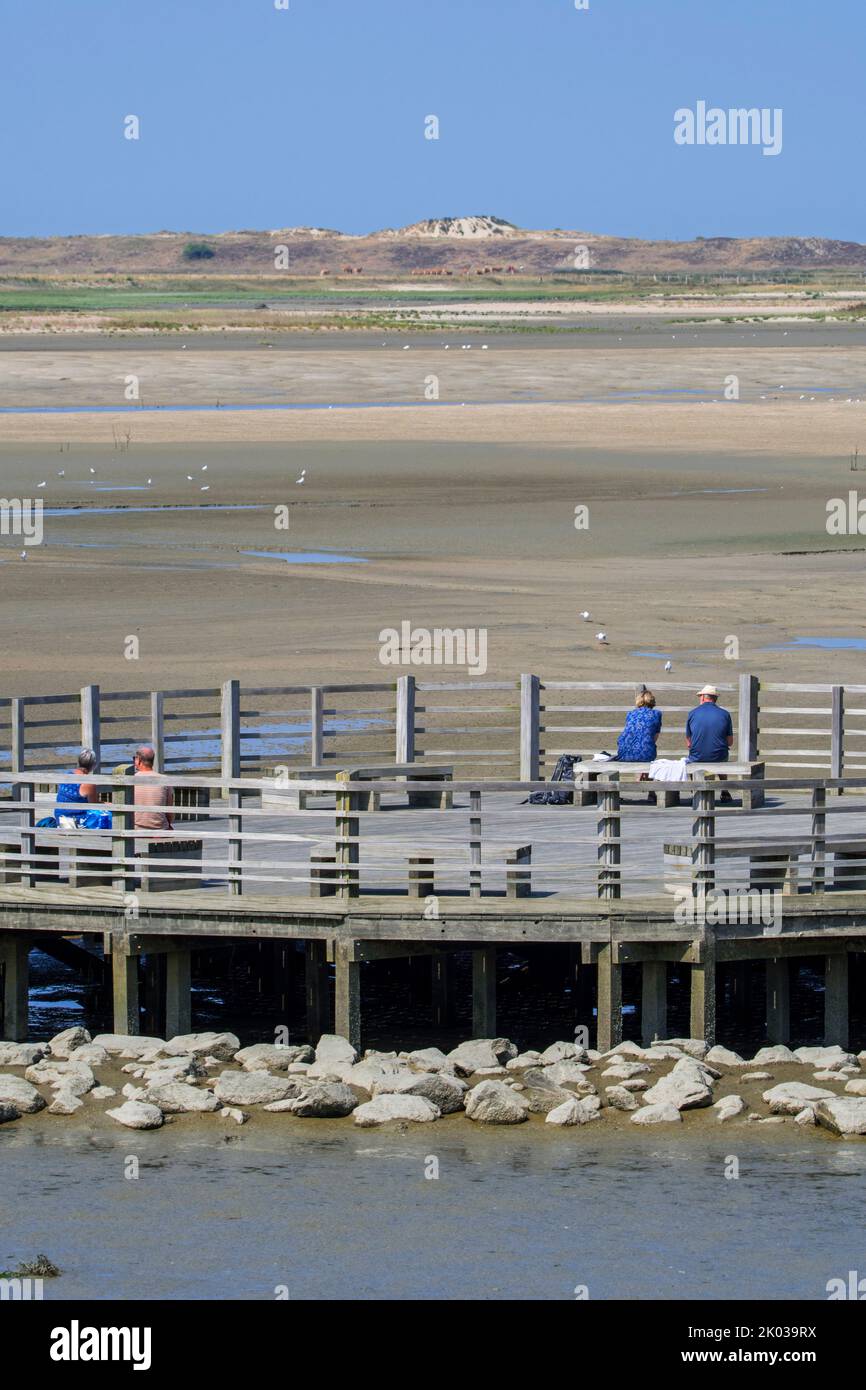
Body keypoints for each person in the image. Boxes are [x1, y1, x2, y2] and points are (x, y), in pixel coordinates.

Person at [686, 684, 734, 802]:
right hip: (719, 756)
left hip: (697, 756)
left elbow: (688, 743)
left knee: (691, 758)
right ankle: (724, 791)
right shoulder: (725, 714)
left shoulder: (692, 713)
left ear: (702, 697)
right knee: (722, 755)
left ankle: (694, 790)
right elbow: (730, 742)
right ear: (715, 698)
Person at [54, 749, 100, 826]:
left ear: (79, 761)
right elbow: (94, 805)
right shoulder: (88, 783)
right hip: (75, 822)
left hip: (60, 819)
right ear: (94, 765)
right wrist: (109, 804)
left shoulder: (66, 775)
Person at [133, 745, 174, 831]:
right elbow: (170, 814)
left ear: (139, 760)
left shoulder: (131, 779)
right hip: (160, 829)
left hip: (136, 829)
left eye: (134, 758)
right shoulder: (165, 780)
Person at [617, 689, 662, 761]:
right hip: (646, 754)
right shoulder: (656, 714)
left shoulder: (630, 713)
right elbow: (655, 737)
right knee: (647, 749)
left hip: (624, 753)